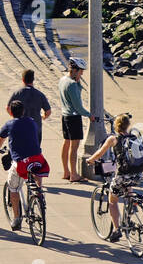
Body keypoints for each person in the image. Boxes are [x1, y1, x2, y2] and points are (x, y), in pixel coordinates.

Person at [0, 99, 50, 230]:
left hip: (21, 162)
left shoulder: (9, 125)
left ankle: (17, 218)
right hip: (37, 158)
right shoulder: (32, 122)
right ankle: (38, 193)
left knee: (13, 188)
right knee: (37, 170)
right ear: (23, 111)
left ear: (11, 112)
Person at [86, 114, 133, 242]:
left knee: (113, 201)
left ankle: (117, 229)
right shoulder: (134, 137)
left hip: (122, 174)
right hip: (136, 174)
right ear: (128, 125)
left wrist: (90, 160)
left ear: (116, 126)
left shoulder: (113, 138)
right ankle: (132, 207)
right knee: (129, 187)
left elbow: (100, 153)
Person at [57, 56, 99, 182]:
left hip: (65, 116)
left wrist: (78, 80)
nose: (82, 73)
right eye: (81, 70)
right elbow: (78, 107)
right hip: (73, 118)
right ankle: (74, 174)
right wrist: (89, 115)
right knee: (74, 148)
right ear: (75, 70)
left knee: (66, 143)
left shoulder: (63, 80)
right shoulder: (72, 85)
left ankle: (66, 172)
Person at [9, 70, 52, 148]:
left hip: (20, 126)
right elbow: (48, 111)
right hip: (36, 127)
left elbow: (8, 108)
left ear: (23, 80)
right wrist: (43, 117)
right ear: (33, 80)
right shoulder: (40, 94)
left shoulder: (17, 93)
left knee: (20, 150)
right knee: (35, 151)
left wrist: (14, 116)